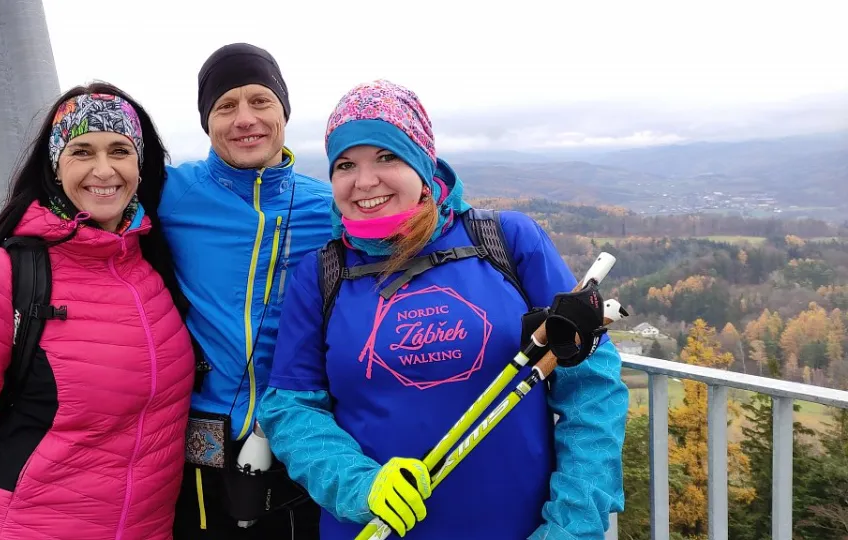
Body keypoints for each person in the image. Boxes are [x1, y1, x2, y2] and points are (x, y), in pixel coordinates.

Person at [0, 43, 330, 538]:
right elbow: (43, 242)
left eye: (260, 101)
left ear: (284, 110)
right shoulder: (171, 191)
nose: (245, 119)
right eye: (226, 105)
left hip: (298, 445)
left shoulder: (330, 208)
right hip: (193, 457)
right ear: (207, 121)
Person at [256, 79, 628, 540]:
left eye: (387, 156)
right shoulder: (321, 274)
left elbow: (590, 387)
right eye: (346, 164)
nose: (364, 181)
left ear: (422, 160)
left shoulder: (508, 242)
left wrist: (571, 527)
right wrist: (360, 485)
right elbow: (291, 408)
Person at [0, 83, 196, 540]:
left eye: (120, 150)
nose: (103, 170)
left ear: (139, 164)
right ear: (55, 164)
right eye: (82, 152)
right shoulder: (10, 274)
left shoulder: (153, 266)